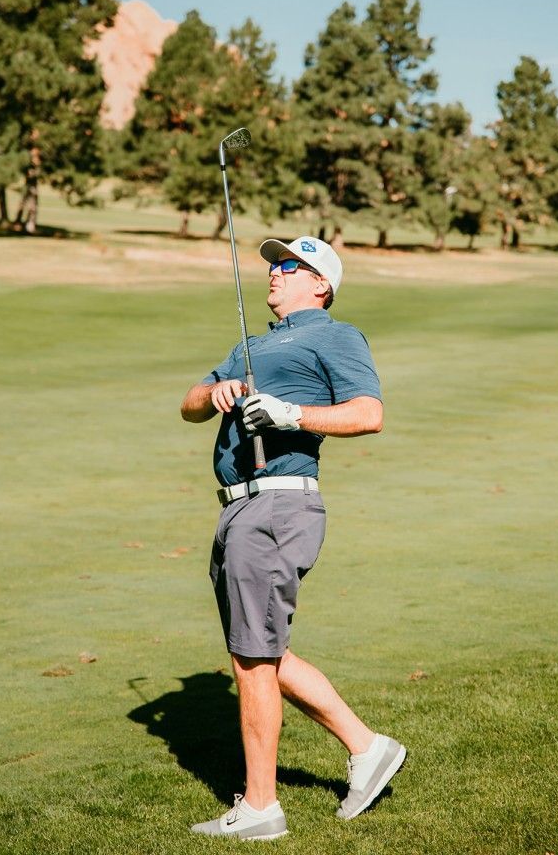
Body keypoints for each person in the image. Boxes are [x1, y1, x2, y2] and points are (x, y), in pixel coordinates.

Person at [180, 236, 406, 840]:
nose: (274, 275)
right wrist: (215, 393)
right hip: (236, 510)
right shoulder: (250, 344)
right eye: (274, 265)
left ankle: (261, 809)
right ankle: (367, 746)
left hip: (279, 504)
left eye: (288, 267)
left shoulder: (336, 335)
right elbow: (189, 405)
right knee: (258, 649)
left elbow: (368, 413)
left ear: (320, 285)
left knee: (253, 660)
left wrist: (289, 414)